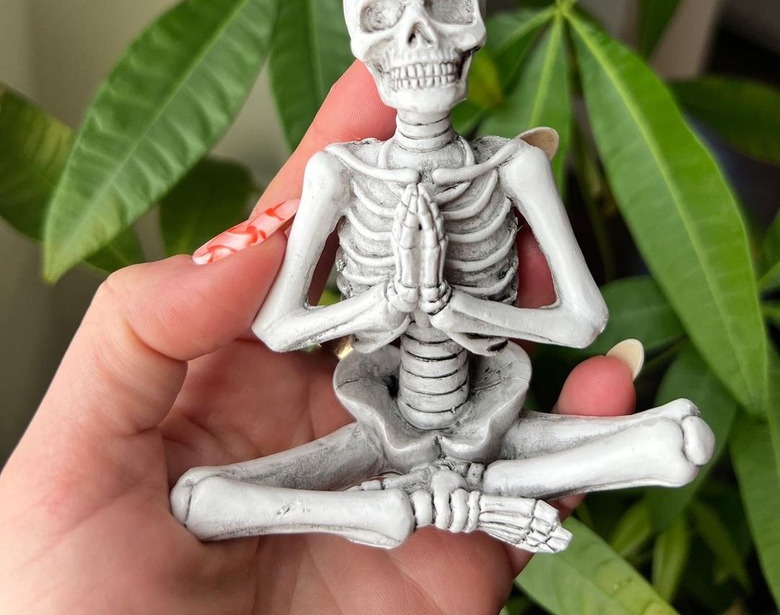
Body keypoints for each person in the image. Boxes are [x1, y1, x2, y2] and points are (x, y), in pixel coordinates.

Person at [0, 62, 637, 614]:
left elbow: (581, 320)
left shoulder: (515, 164)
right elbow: (279, 326)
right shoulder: (338, 170)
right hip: (379, 416)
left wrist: (461, 311)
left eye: (446, 13)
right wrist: (379, 308)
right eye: (390, 21)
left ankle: (429, 501)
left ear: (471, 34)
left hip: (488, 401)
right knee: (201, 497)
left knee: (676, 442)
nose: (422, 46)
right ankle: (427, 504)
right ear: (368, 43)